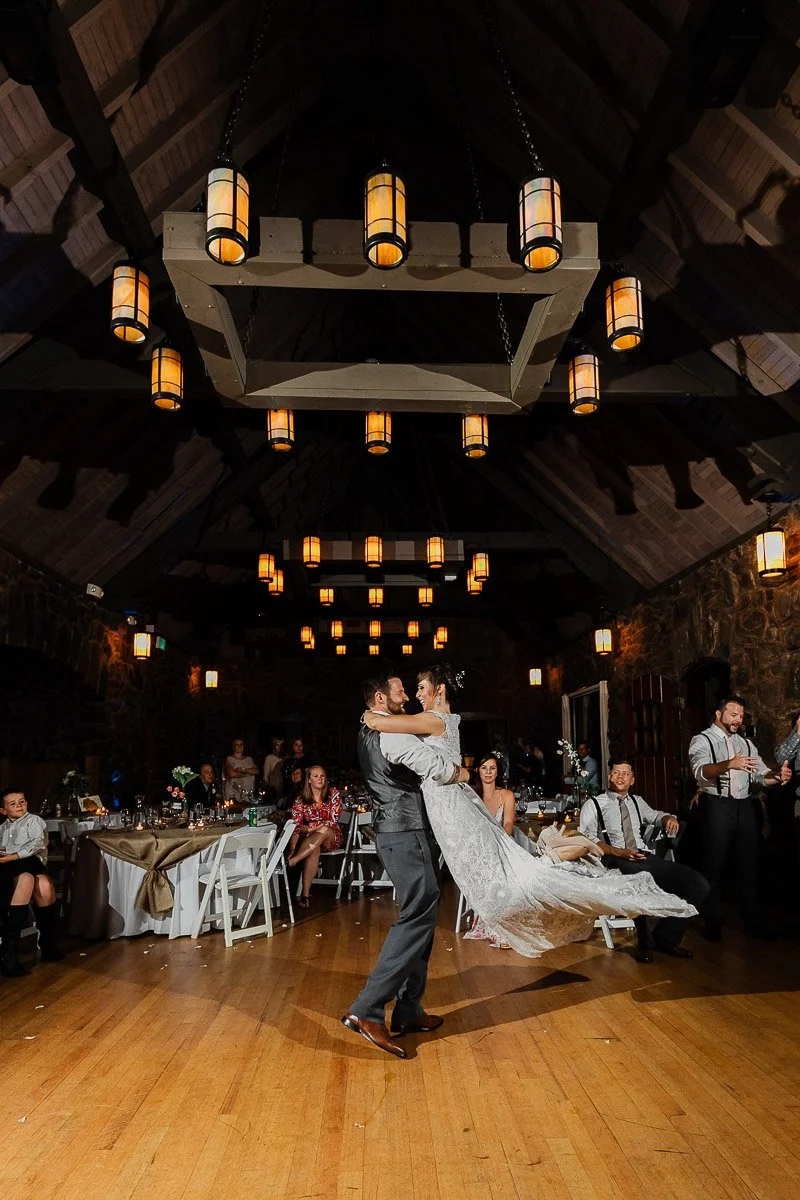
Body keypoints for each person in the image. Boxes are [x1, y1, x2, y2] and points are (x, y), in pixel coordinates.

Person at [362, 663, 697, 961]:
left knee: (491, 872)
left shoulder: (434, 719)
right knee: (480, 869)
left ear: (440, 689)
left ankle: (533, 903)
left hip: (447, 805)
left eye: (421, 687)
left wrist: (369, 716)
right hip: (444, 803)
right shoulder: (441, 719)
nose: (416, 694)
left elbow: (387, 724)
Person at [341, 671, 471, 1061]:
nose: (406, 698)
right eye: (399, 691)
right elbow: (432, 766)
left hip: (402, 831)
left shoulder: (373, 728)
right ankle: (367, 1009)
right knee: (418, 912)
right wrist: (461, 772)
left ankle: (410, 1009)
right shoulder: (391, 731)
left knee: (425, 911)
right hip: (404, 830)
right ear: (381, 698)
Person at [579, 762, 710, 963]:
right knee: (638, 881)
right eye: (616, 773)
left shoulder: (637, 801)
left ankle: (665, 937)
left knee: (699, 884)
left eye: (625, 773)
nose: (620, 777)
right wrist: (620, 852)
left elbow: (656, 816)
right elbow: (587, 841)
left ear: (632, 779)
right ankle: (645, 942)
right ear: (609, 777)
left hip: (643, 856)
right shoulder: (594, 804)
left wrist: (667, 818)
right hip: (613, 858)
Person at [689, 695, 791, 941]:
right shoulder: (702, 740)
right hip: (717, 805)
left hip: (744, 806)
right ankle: (712, 922)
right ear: (718, 713)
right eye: (733, 715)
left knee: (748, 865)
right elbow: (701, 772)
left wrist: (777, 777)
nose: (737, 720)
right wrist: (728, 764)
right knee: (714, 865)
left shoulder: (745, 744)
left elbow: (760, 776)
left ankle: (752, 923)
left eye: (741, 716)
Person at [0, 788, 63, 973]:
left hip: (32, 860)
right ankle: (9, 951)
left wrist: (11, 857)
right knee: (29, 879)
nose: (19, 805)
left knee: (37, 879)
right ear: (3, 811)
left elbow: (37, 845)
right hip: (13, 867)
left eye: (22, 801)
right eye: (13, 804)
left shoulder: (34, 821)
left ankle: (45, 942)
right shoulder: (2, 828)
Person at [288, 766, 344, 907]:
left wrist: (311, 827)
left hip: (332, 836)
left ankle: (293, 862)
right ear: (308, 780)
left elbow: (332, 821)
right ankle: (305, 896)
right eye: (316, 776)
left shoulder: (333, 794)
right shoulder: (301, 799)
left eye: (322, 776)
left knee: (325, 828)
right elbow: (296, 827)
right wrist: (292, 850)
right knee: (314, 849)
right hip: (311, 840)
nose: (320, 779)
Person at [223, 738, 259, 804]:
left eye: (241, 744)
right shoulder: (229, 759)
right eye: (237, 744)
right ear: (233, 747)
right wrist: (247, 774)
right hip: (234, 793)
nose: (239, 746)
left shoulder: (249, 759)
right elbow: (232, 774)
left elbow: (256, 771)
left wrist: (243, 770)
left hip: (247, 793)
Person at [262, 737, 286, 801]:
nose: (279, 747)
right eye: (277, 745)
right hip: (274, 789)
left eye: (281, 745)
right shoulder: (269, 758)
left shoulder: (287, 758)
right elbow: (266, 777)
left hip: (285, 789)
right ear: (274, 746)